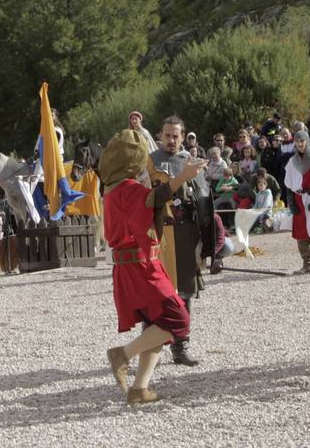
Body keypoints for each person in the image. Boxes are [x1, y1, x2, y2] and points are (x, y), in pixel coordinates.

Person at [101, 128, 204, 406]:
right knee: (179, 320)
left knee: (158, 324)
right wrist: (183, 176)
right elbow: (155, 198)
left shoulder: (113, 190)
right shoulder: (127, 189)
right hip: (141, 268)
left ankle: (139, 388)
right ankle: (122, 354)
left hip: (134, 266)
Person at [148, 114, 209, 366]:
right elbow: (148, 200)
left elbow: (204, 201)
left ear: (183, 137)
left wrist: (206, 242)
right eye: (167, 135)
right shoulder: (150, 162)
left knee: (184, 292)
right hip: (159, 234)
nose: (171, 140)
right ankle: (149, 348)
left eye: (176, 135)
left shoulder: (189, 162)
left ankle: (180, 348)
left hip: (185, 234)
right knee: (155, 294)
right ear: (160, 136)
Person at [283, 129, 310, 273]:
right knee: (301, 232)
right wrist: (291, 202)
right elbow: (289, 185)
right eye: (297, 141)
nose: (300, 144)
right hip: (298, 198)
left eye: (302, 141)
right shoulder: (291, 162)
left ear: (307, 141)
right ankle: (307, 263)